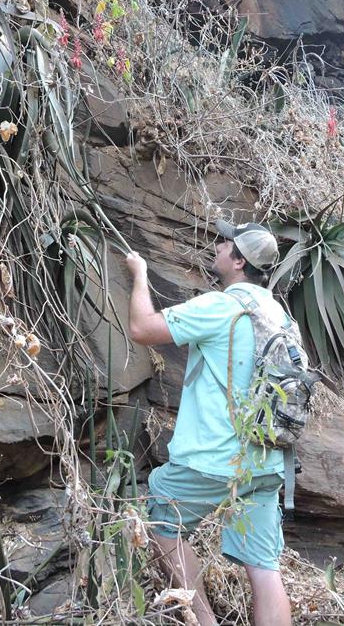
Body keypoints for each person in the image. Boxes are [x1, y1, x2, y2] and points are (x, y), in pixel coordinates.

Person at [125, 221, 292, 626]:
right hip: (267, 459)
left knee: (163, 516)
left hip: (214, 458)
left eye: (225, 243)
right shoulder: (280, 316)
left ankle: (203, 621)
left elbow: (142, 329)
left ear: (238, 260)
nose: (216, 246)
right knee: (264, 566)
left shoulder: (221, 306)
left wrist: (141, 273)